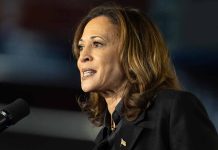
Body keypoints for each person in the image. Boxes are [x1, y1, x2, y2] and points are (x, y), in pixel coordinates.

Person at [72, 3, 218, 150]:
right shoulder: (104, 139)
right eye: (81, 47)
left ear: (132, 53)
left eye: (97, 43)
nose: (82, 57)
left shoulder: (173, 108)